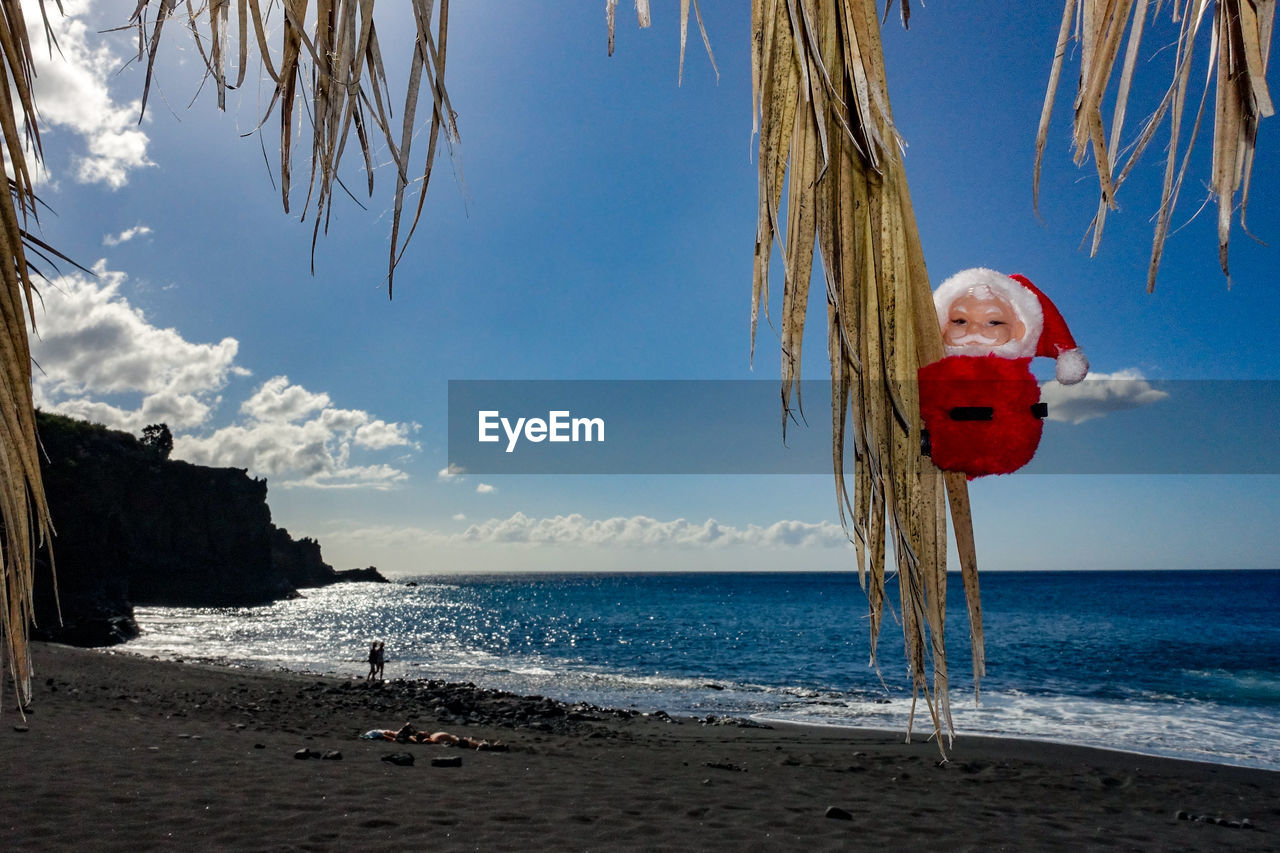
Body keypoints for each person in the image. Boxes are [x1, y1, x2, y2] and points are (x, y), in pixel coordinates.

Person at [919, 268, 1088, 478]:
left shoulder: (1008, 375)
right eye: (960, 321)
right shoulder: (939, 369)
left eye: (993, 322)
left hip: (995, 446)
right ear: (942, 325)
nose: (973, 331)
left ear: (1019, 330)